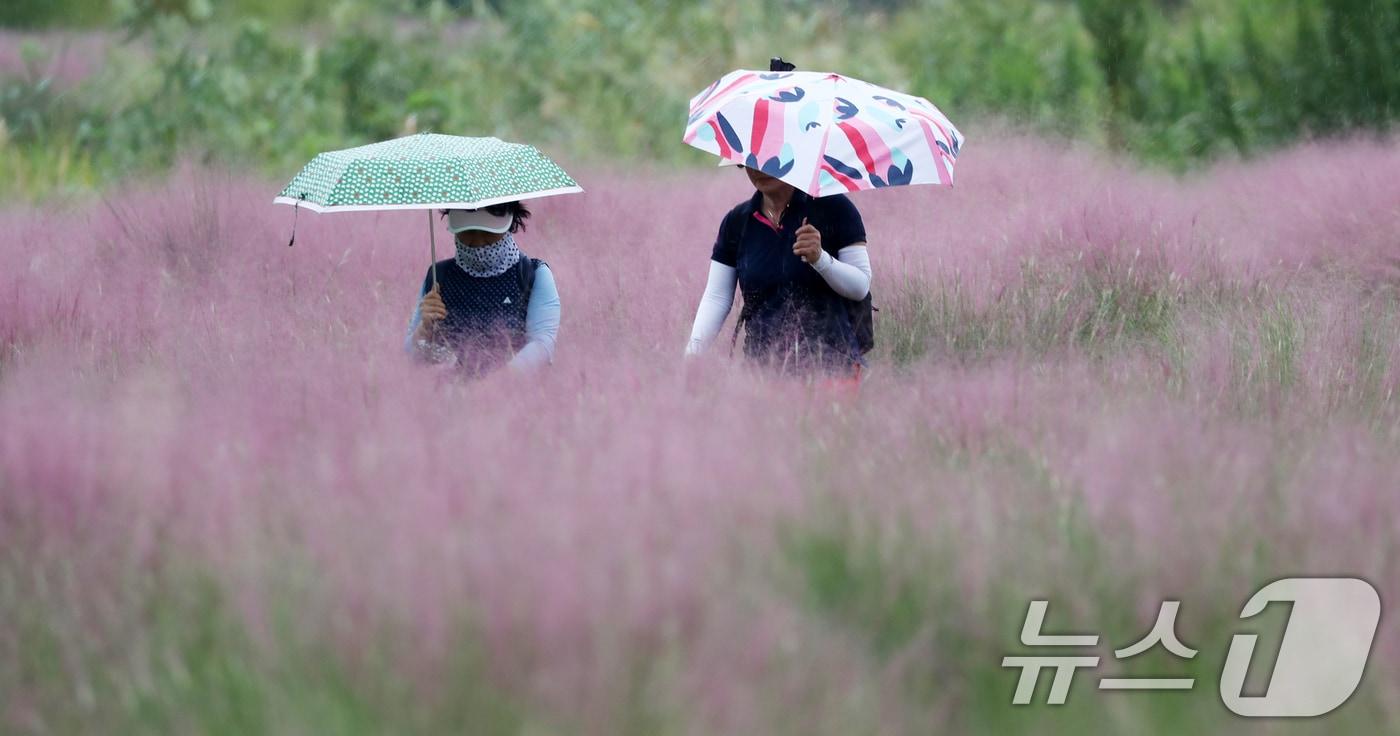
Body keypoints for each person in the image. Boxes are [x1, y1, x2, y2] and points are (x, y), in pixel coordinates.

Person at [685, 165, 872, 377]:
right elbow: (717, 297)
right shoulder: (737, 221)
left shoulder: (835, 208)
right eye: (751, 161)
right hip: (761, 369)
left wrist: (821, 259)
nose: (760, 169)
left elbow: (860, 286)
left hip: (832, 365)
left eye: (770, 160)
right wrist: (693, 354)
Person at [406, 202, 560, 375]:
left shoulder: (533, 274)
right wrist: (424, 329)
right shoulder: (437, 277)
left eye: (488, 232)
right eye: (468, 232)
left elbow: (542, 344)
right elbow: (411, 357)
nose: (479, 243)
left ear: (509, 225)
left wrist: (494, 387)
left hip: (512, 395)